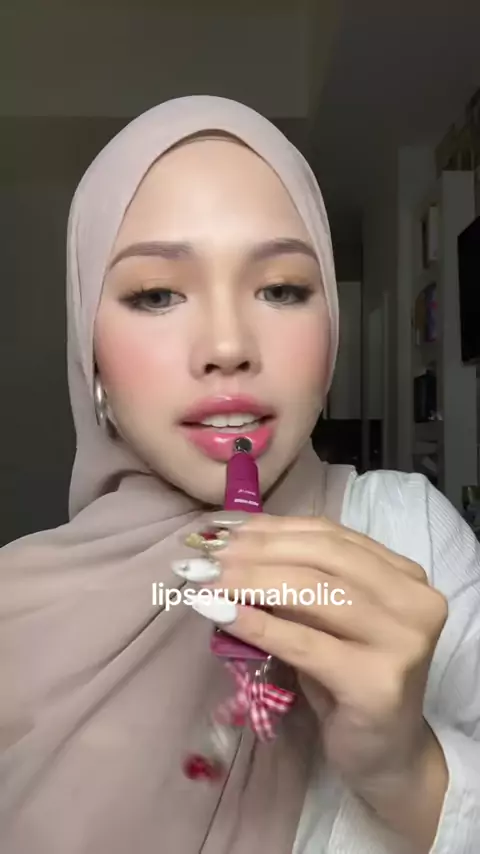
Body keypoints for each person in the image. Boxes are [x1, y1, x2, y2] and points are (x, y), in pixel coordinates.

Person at [0, 96, 479, 854]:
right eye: (156, 294)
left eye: (282, 289)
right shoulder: (10, 613)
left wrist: (408, 770)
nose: (227, 346)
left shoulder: (407, 535)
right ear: (90, 360)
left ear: (332, 331)